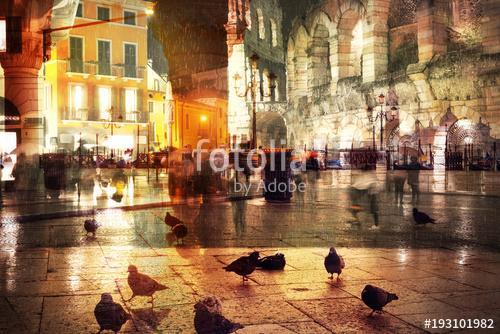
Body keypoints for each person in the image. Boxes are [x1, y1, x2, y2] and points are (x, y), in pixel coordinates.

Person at [350, 164, 379, 230]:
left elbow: (359, 185)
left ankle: (375, 225)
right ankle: (375, 224)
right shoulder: (369, 175)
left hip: (370, 195)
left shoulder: (367, 176)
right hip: (369, 195)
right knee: (373, 210)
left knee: (373, 210)